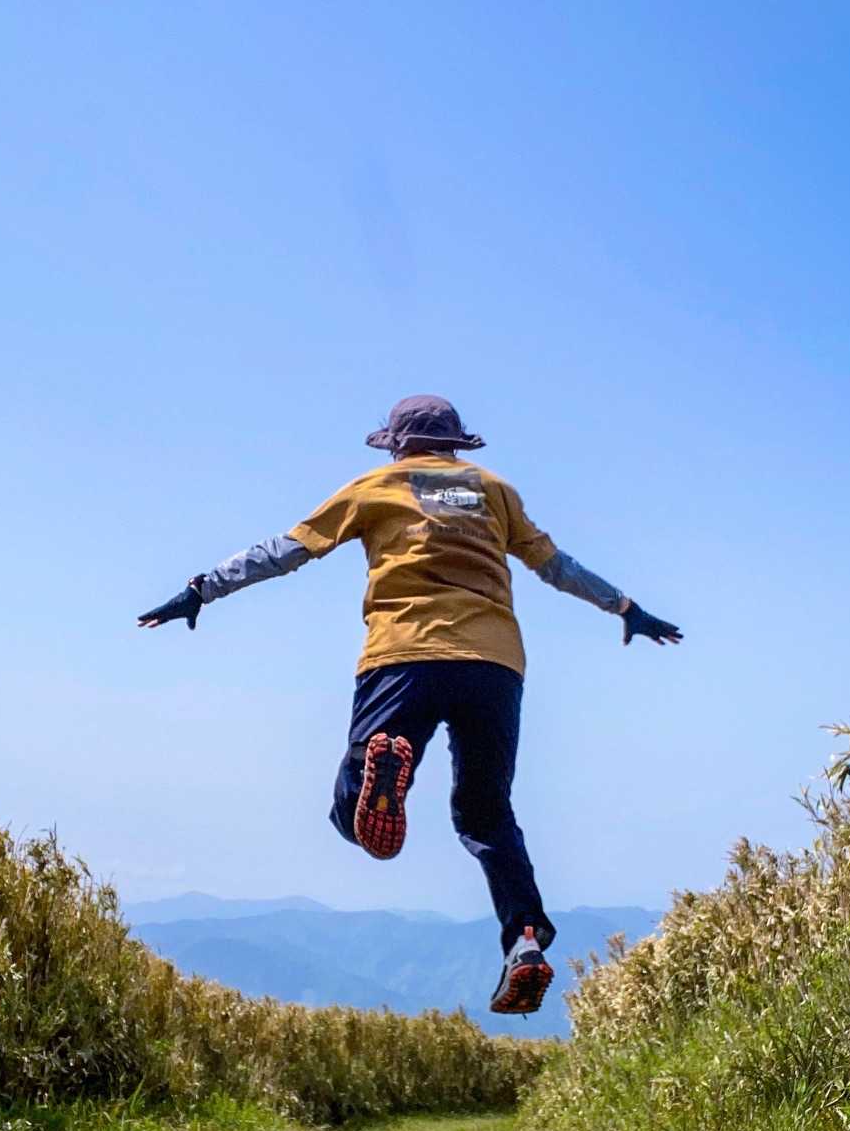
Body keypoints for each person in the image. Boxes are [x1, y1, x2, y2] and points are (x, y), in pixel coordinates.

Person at [138, 395, 682, 1014]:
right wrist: (625, 608)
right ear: (457, 443)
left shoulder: (375, 486)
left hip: (403, 655)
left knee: (349, 813)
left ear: (395, 443)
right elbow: (556, 566)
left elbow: (286, 550)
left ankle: (383, 771)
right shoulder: (494, 490)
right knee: (487, 817)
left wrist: (201, 589)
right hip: (493, 665)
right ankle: (524, 940)